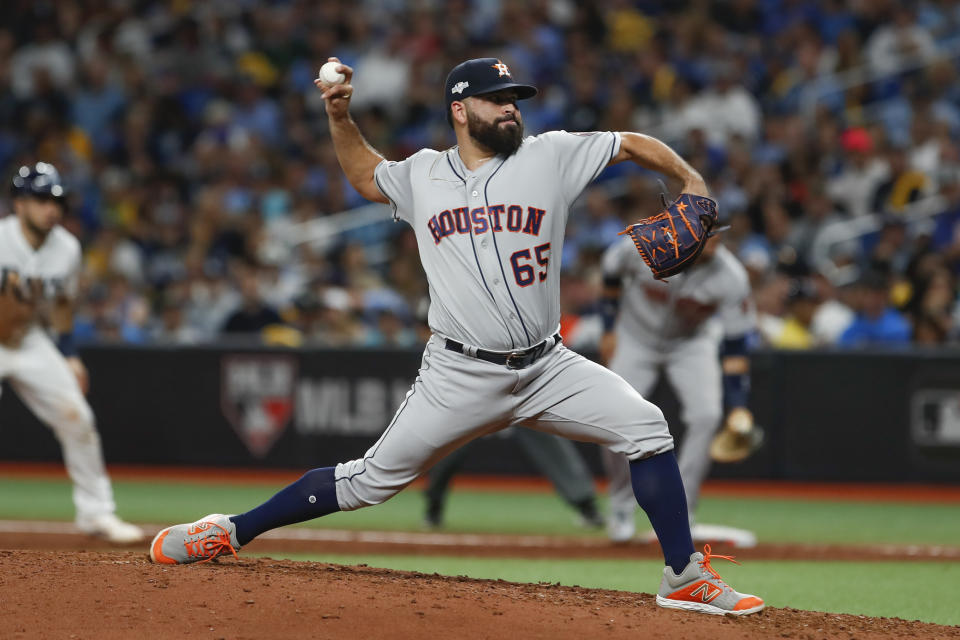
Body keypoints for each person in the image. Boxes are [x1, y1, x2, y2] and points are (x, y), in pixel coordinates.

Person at [149, 57, 764, 616]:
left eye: (515, 98)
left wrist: (690, 181)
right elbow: (367, 176)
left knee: (648, 427)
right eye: (498, 99)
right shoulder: (422, 175)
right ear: (460, 110)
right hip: (459, 372)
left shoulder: (549, 155)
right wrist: (339, 114)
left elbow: (629, 143)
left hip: (547, 366)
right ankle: (229, 531)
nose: (511, 107)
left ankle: (682, 575)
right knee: (366, 483)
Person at [0, 162, 144, 544]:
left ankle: (97, 515)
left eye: (56, 200)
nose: (51, 208)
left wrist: (69, 354)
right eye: (41, 199)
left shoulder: (67, 247)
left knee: (77, 418)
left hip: (30, 340)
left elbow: (63, 306)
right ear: (18, 203)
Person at [599, 230, 760, 548]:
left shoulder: (730, 276)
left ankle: (680, 514)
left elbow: (736, 346)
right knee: (610, 415)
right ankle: (620, 504)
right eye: (707, 234)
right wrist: (608, 327)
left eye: (719, 234)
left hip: (691, 343)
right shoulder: (644, 246)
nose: (715, 241)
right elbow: (610, 269)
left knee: (707, 416)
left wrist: (739, 403)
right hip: (635, 337)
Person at [423, 427, 604, 530]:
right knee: (453, 436)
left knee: (544, 433)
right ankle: (433, 507)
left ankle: (587, 507)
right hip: (479, 376)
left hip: (519, 376)